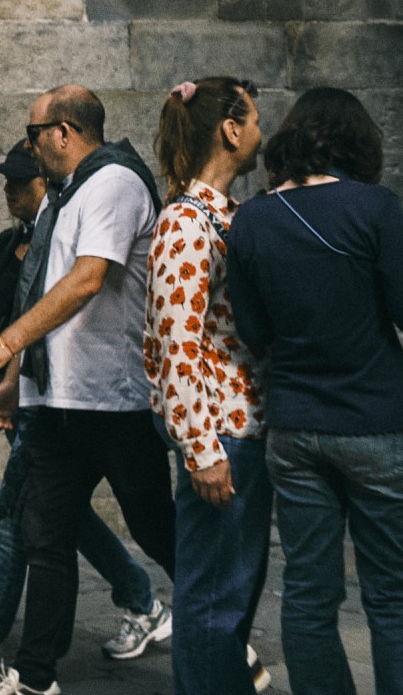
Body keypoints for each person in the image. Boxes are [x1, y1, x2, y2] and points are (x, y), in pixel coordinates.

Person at [0, 85, 174, 695]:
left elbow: (85, 281)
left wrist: (1, 345)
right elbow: (42, 293)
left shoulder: (114, 183)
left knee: (159, 533)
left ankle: (228, 640)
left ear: (65, 131)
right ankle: (35, 677)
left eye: (34, 134)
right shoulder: (65, 195)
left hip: (115, 402)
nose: (29, 145)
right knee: (43, 536)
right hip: (57, 403)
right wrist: (16, 380)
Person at [226, 87, 403, 695]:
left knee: (308, 591)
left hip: (295, 428)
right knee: (392, 595)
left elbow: (252, 331)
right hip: (376, 424)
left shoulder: (250, 219)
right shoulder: (375, 208)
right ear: (356, 141)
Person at [145, 78, 272, 695]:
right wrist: (202, 449)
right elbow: (175, 347)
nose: (259, 134)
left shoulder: (223, 216)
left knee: (235, 595)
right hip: (220, 434)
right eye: (253, 121)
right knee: (211, 600)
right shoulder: (185, 223)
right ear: (230, 129)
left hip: (241, 428)